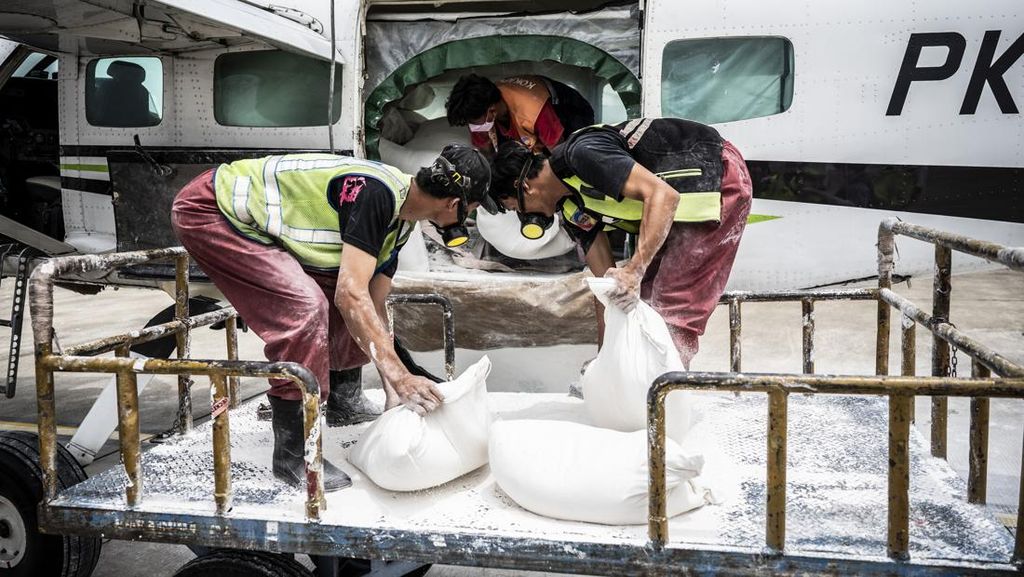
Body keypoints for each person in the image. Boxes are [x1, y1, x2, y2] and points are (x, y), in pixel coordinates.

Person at [171, 145, 494, 491]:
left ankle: (344, 399)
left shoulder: (401, 224)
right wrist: (401, 377)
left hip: (242, 217)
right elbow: (349, 294)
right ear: (454, 204)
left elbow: (371, 302)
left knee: (350, 302)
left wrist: (393, 389)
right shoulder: (376, 194)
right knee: (305, 308)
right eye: (472, 210)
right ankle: (295, 454)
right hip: (209, 209)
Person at [488, 118, 752, 367]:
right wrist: (604, 362)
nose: (525, 217)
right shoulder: (571, 208)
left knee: (672, 304)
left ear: (524, 187)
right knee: (643, 304)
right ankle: (644, 388)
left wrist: (635, 269)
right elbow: (608, 290)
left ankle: (664, 396)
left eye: (517, 208)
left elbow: (663, 195)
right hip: (677, 214)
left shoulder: (582, 153)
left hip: (715, 176)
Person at [445, 73, 594, 156]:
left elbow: (560, 154)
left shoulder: (534, 111)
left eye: (473, 122)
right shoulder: (480, 110)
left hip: (570, 113)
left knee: (574, 156)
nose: (473, 126)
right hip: (520, 121)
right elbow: (486, 152)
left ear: (491, 111)